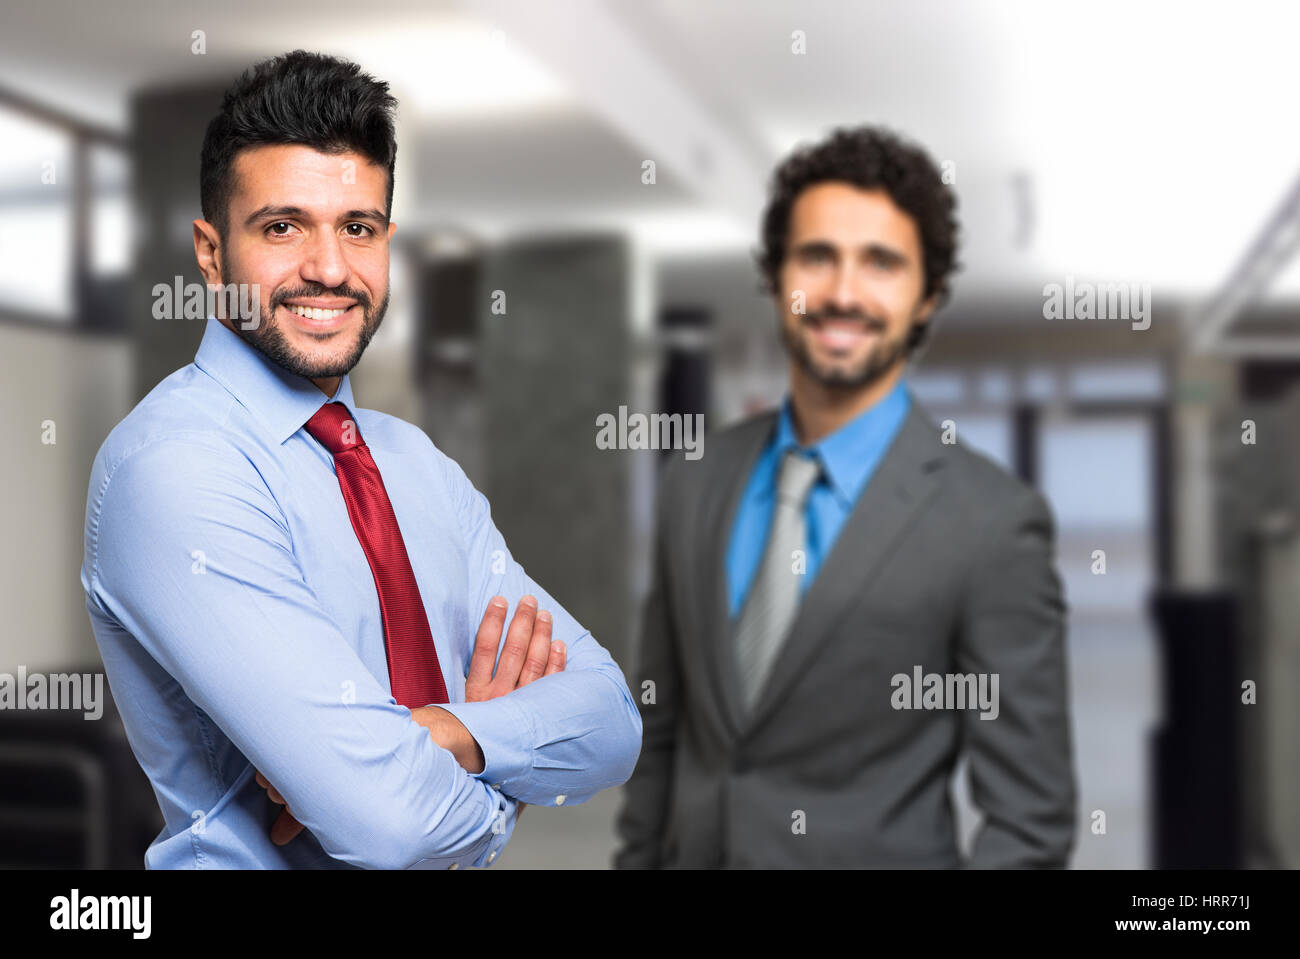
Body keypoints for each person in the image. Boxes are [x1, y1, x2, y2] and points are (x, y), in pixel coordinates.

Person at [79, 50, 640, 870]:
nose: (330, 269)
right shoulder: (172, 468)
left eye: (357, 228)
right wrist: (502, 785)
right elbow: (391, 824)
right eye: (282, 226)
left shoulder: (416, 464)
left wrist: (449, 733)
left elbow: (613, 720)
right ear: (209, 252)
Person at [614, 126, 1077, 868]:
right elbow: (661, 732)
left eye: (882, 263)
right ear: (776, 276)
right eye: (817, 256)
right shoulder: (697, 480)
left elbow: (1030, 822)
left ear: (927, 297)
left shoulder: (992, 523)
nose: (841, 292)